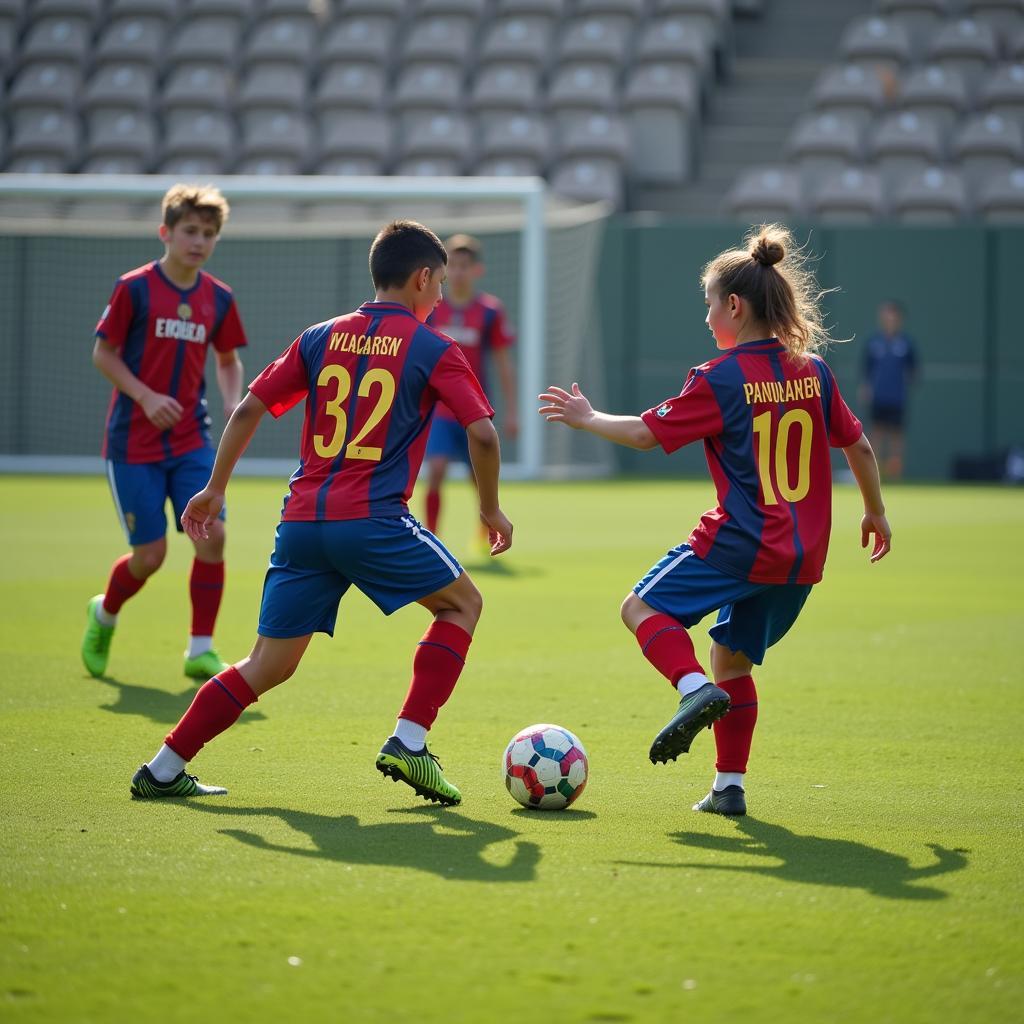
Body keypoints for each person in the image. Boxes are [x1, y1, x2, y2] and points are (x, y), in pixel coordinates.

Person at [129, 220, 513, 804]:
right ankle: (409, 739)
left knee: (267, 664)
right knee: (463, 603)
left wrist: (213, 488)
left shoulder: (320, 336)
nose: (438, 299)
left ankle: (162, 766)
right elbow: (482, 434)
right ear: (423, 278)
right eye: (436, 288)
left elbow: (249, 408)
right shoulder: (433, 347)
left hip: (303, 522)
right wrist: (490, 509)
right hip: (374, 519)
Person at [539, 225, 891, 817]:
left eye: (709, 304)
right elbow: (858, 446)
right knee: (733, 660)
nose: (707, 318)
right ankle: (729, 788)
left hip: (743, 542)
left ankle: (691, 689)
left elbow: (648, 435)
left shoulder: (720, 377)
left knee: (639, 609)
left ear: (734, 305)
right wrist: (875, 513)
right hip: (802, 559)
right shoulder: (815, 371)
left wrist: (587, 416)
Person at [81, 184, 247, 681]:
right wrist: (147, 397)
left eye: (209, 234)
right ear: (166, 233)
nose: (199, 241)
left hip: (191, 441)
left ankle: (200, 648)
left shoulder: (218, 298)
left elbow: (228, 360)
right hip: (132, 443)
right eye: (190, 231)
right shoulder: (133, 288)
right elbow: (102, 354)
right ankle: (104, 613)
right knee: (150, 556)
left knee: (212, 536)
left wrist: (232, 398)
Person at [423, 234, 517, 545]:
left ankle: (489, 532)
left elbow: (503, 363)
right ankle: (431, 538)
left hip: (473, 410)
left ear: (477, 270)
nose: (459, 272)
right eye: (454, 265)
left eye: (466, 265)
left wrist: (512, 411)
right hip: (439, 410)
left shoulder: (489, 311)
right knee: (435, 471)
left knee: (479, 480)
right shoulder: (432, 310)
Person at [861, 300, 917, 480]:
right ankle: (875, 473)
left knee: (896, 434)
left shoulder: (906, 344)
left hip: (897, 397)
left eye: (893, 316)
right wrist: (867, 388)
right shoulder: (873, 342)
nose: (889, 320)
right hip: (878, 397)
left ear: (899, 319)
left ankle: (894, 473)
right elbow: (866, 369)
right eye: (886, 316)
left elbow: (913, 370)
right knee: (876, 432)